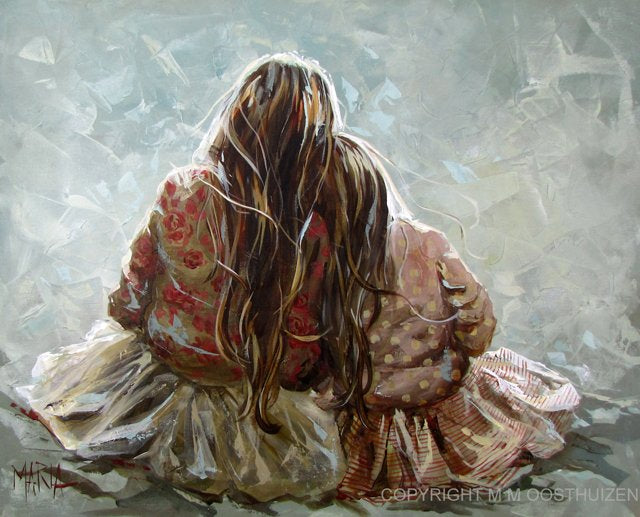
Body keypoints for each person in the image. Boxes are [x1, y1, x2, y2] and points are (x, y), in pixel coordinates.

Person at [16, 52, 351, 502]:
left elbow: (136, 284)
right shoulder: (311, 229)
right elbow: (301, 337)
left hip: (160, 371)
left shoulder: (183, 188)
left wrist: (132, 321)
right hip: (243, 396)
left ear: (237, 117)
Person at [318, 134, 581, 501]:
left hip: (370, 409)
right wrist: (469, 348)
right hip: (444, 392)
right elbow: (475, 312)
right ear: (377, 187)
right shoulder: (426, 241)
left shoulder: (319, 263)